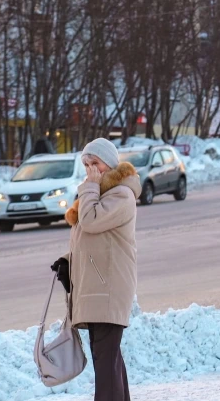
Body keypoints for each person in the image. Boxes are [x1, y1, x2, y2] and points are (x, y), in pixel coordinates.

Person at [50, 138, 140, 401]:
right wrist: (68, 261)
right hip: (95, 291)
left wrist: (89, 187)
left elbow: (89, 222)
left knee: (105, 362)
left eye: (95, 163)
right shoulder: (98, 196)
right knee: (108, 360)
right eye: (86, 164)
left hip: (109, 290)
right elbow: (91, 242)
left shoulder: (121, 195)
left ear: (109, 164)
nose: (91, 170)